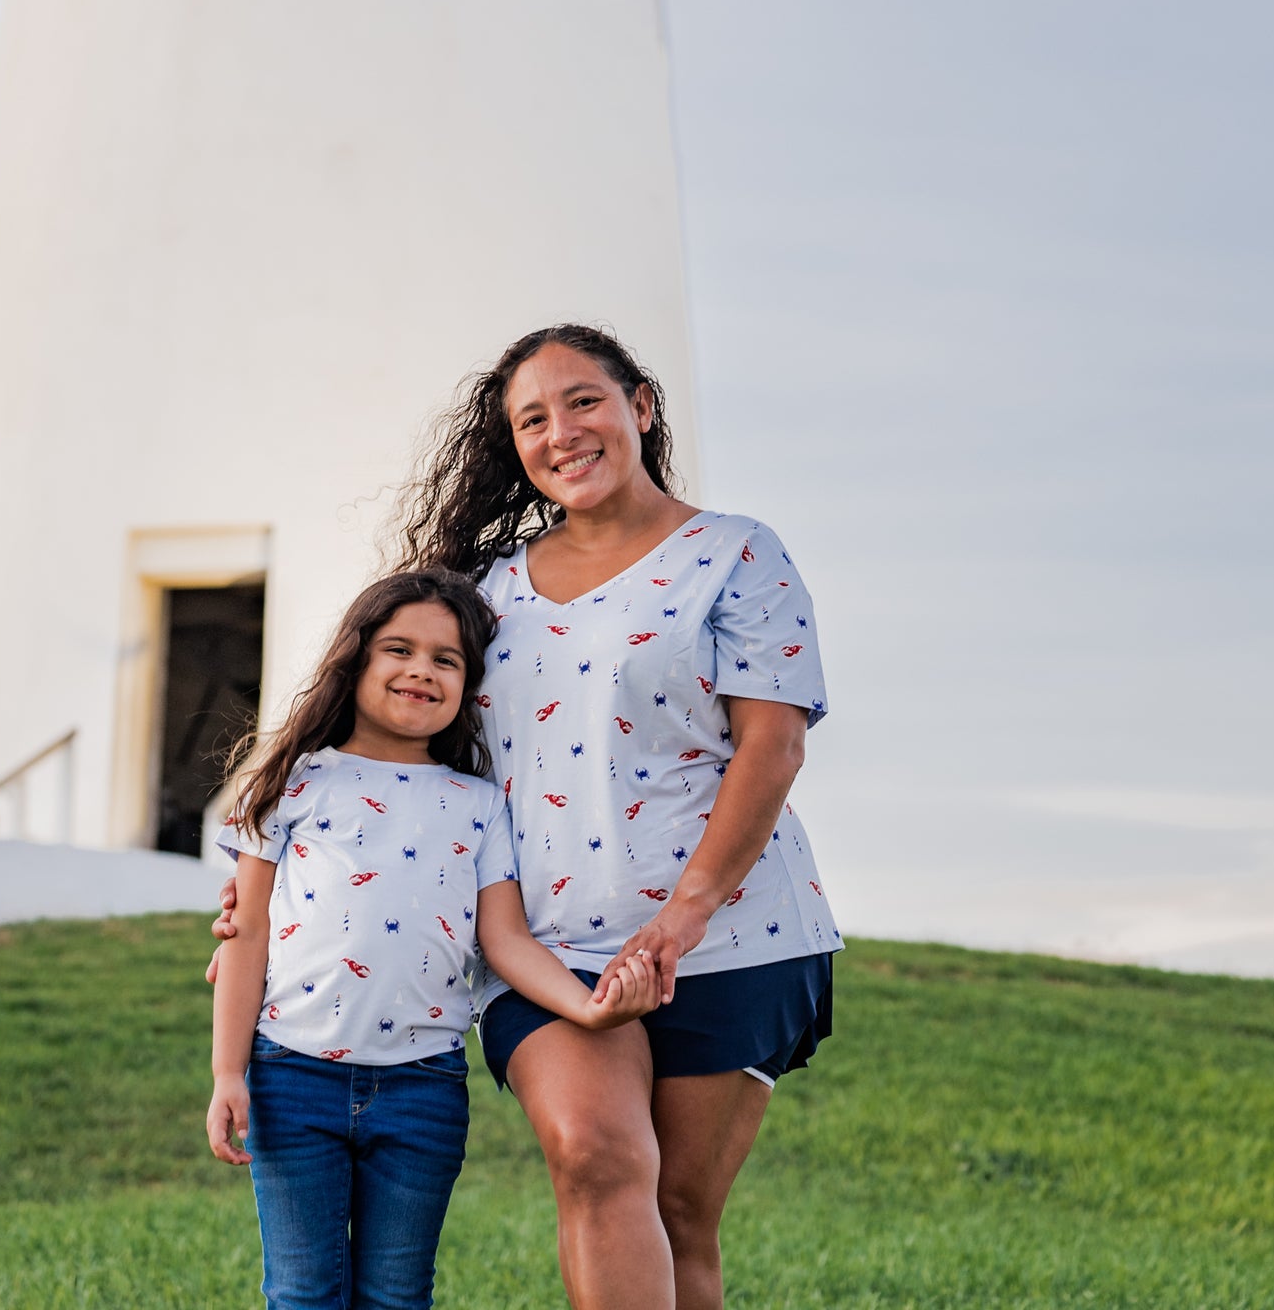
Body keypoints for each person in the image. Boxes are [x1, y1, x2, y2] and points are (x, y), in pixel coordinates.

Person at [215, 326, 840, 1310]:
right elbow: (409, 749)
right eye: (532, 419)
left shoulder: (736, 555)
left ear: (639, 405)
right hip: (543, 945)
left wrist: (678, 922)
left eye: (583, 401)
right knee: (595, 1158)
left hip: (731, 934)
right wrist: (283, 883)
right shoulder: (488, 592)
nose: (562, 432)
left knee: (681, 1212)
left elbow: (774, 747)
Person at [207, 567, 663, 1310]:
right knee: (302, 1293)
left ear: (468, 686)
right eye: (399, 649)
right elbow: (247, 934)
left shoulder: (480, 805)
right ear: (355, 660)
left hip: (422, 1088)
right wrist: (230, 1074)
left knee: (397, 1297)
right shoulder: (294, 780)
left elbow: (506, 941)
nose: (421, 669)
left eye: (446, 660)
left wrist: (586, 1010)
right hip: (291, 1077)